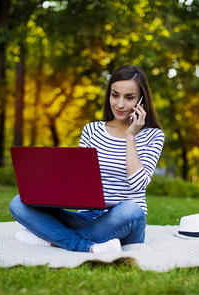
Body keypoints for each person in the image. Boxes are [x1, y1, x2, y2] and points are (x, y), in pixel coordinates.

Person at [9, 65, 165, 253]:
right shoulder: (92, 130)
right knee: (19, 203)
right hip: (87, 217)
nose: (120, 104)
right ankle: (88, 246)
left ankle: (53, 239)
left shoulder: (153, 136)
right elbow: (79, 180)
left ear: (141, 100)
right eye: (115, 95)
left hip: (125, 221)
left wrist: (131, 136)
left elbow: (138, 184)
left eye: (129, 97)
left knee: (131, 210)